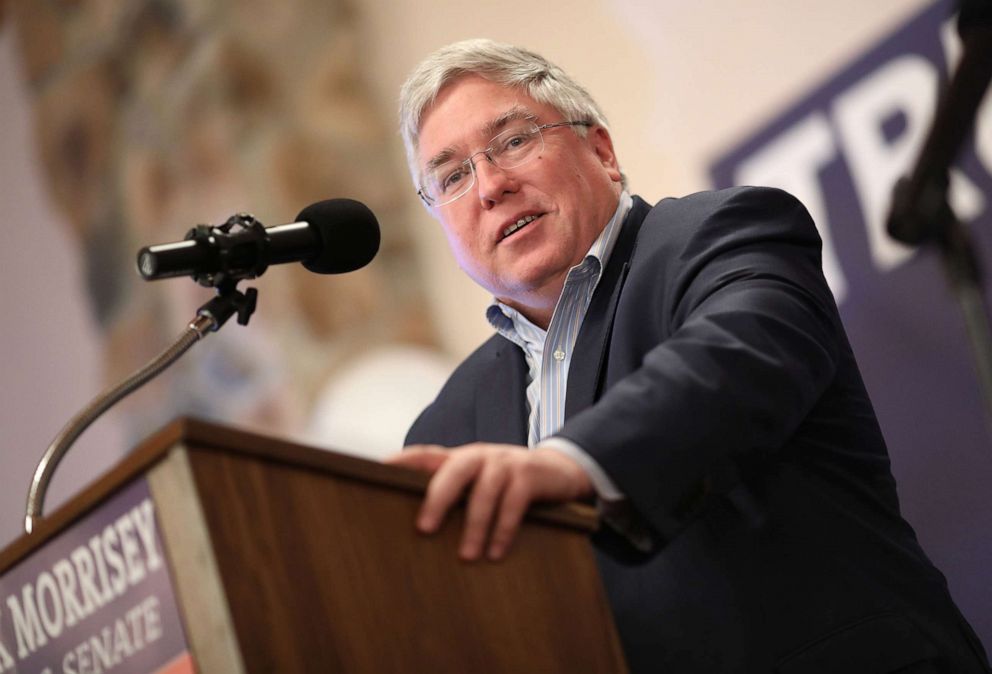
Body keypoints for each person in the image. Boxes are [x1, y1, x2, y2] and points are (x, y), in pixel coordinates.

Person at [386, 38, 991, 673]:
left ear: (601, 151)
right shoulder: (445, 427)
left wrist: (574, 466)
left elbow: (737, 360)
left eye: (512, 141)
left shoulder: (724, 235)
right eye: (451, 176)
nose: (489, 187)